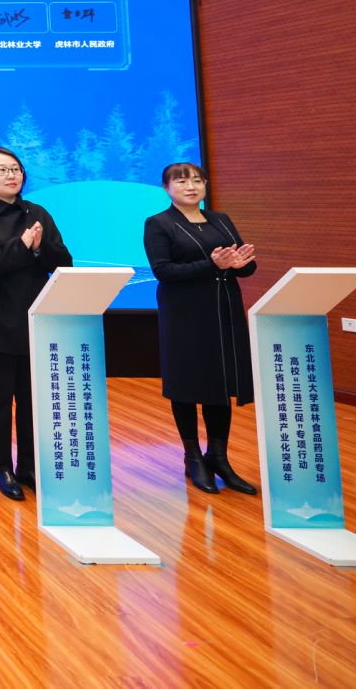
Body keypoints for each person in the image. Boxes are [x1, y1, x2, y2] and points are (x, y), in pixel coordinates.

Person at [0, 147, 72, 501]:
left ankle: (29, 466)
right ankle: (2, 467)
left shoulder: (37, 213)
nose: (12, 175)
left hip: (35, 320)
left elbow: (63, 262)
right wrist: (21, 246)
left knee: (32, 400)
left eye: (16, 169)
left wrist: (38, 249)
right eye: (2, 170)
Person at [142, 162, 260, 495]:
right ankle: (192, 456)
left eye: (197, 180)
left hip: (223, 308)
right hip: (183, 312)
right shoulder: (159, 223)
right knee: (187, 383)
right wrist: (211, 264)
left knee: (219, 381)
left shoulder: (220, 220)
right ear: (167, 188)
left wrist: (243, 264)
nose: (191, 186)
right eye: (181, 182)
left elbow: (243, 266)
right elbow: (163, 271)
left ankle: (218, 457)